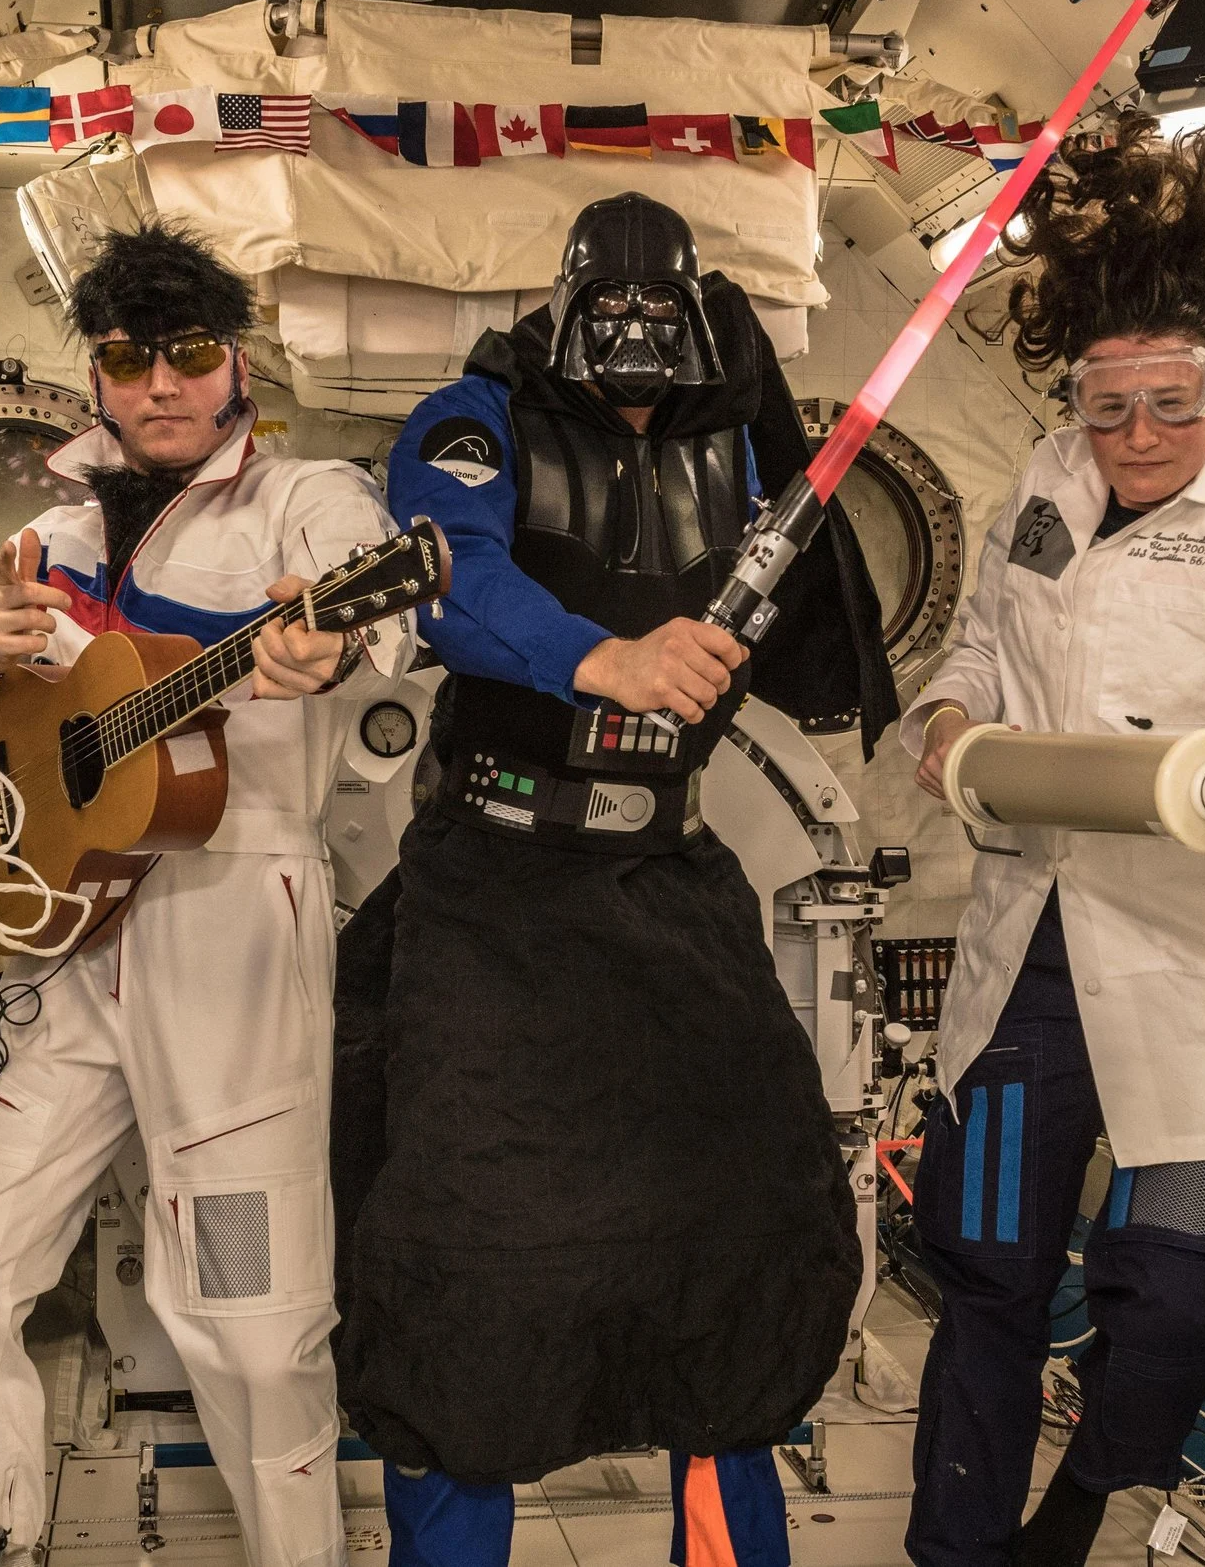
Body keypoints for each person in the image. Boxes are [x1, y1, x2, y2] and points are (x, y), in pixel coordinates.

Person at [332, 192, 901, 1567]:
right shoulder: (474, 421)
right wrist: (603, 657)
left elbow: (810, 614)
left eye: (667, 324)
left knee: (748, 1245)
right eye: (613, 323)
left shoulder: (740, 442)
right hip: (492, 893)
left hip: (667, 878)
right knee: (466, 1284)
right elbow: (446, 573)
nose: (638, 352)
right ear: (568, 316)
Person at [899, 113, 1205, 1567]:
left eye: (1167, 402)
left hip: (1203, 960)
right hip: (1030, 962)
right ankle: (956, 1551)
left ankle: (1083, 1500)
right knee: (984, 1269)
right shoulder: (1044, 483)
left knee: (1173, 1288)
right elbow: (979, 646)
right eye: (1102, 402)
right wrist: (949, 719)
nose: (1131, 436)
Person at [0, 222, 410, 1566]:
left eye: (187, 353)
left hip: (229, 942)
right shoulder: (56, 531)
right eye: (128, 359)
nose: (160, 383)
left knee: (252, 1320)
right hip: (61, 944)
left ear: (236, 363)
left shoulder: (305, 498)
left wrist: (333, 630)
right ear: (98, 376)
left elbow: (383, 601)